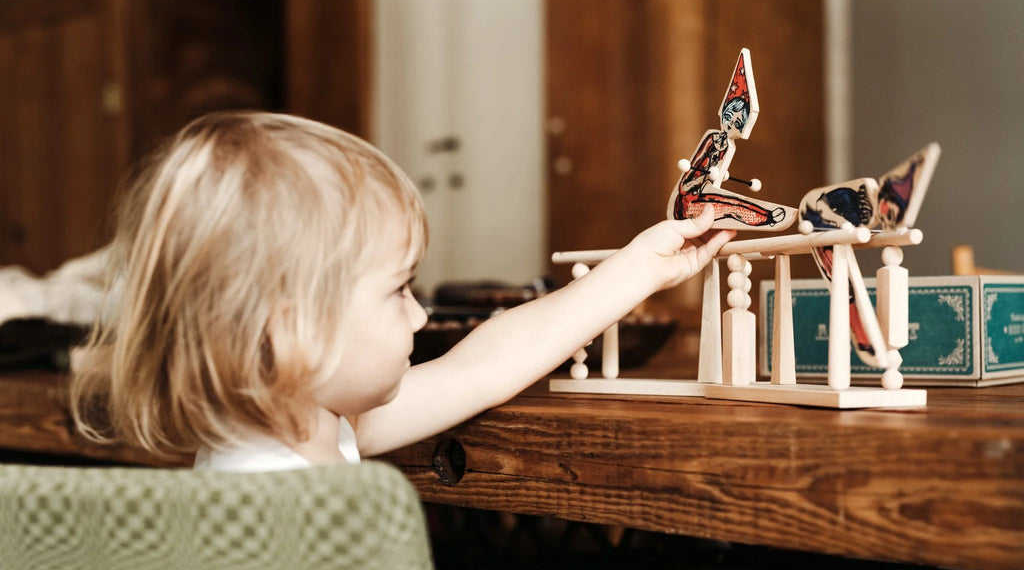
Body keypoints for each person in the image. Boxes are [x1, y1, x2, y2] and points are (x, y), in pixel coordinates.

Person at [70, 111, 734, 472]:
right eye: (397, 290)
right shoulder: (266, 500)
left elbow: (485, 367)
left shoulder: (324, 423)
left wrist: (643, 268)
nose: (419, 313)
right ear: (290, 325)